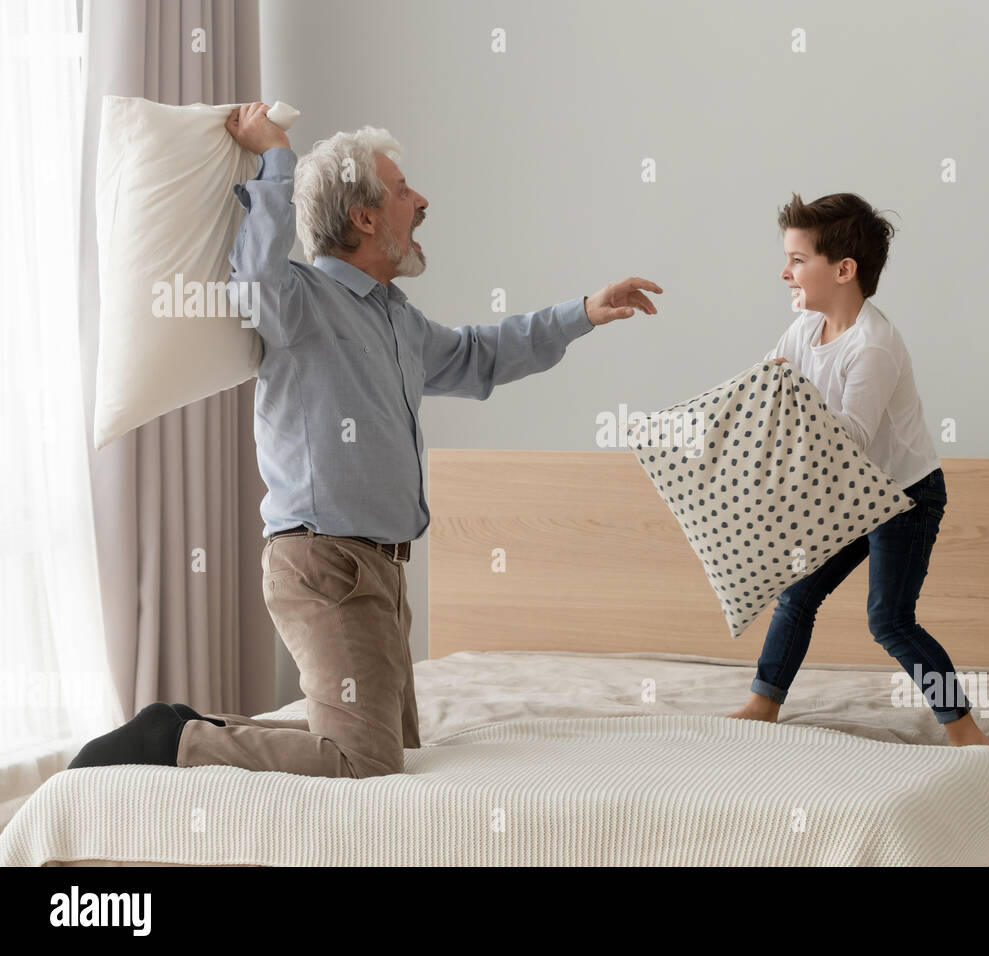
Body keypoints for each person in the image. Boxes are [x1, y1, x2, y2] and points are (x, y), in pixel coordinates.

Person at [68, 102, 663, 776]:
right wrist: (278, 157)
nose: (423, 201)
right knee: (365, 759)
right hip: (324, 565)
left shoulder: (397, 320)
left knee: (394, 753)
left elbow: (477, 355)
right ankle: (168, 744)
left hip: (380, 570)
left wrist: (582, 314)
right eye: (405, 190)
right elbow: (256, 277)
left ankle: (183, 727)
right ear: (366, 216)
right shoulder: (300, 300)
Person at [725, 192, 989, 747]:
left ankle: (964, 729)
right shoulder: (802, 330)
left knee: (889, 619)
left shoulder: (873, 346)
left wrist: (790, 396)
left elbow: (850, 439)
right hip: (847, 495)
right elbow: (771, 394)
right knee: (796, 592)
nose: (784, 272)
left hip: (902, 494)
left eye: (798, 260)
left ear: (844, 270)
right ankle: (762, 702)